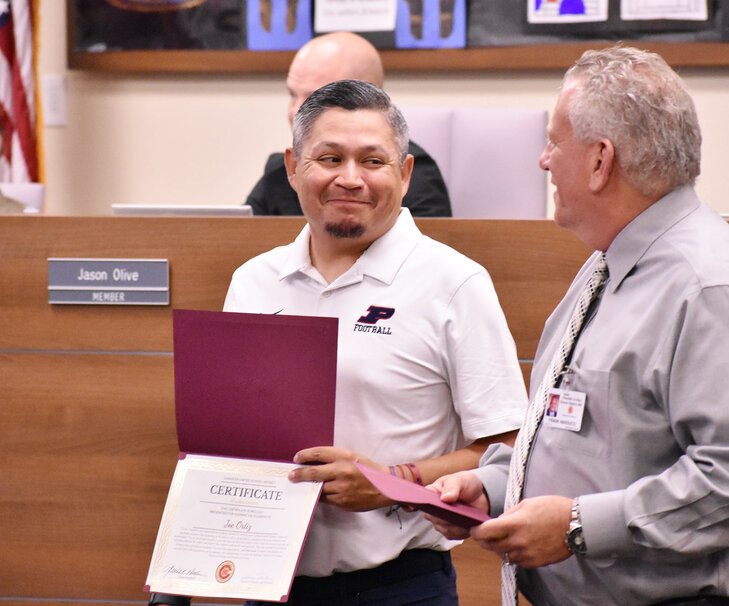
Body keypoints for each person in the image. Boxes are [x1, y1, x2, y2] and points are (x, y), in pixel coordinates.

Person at [427, 46, 729, 606]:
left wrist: (578, 526)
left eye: (555, 142)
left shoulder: (708, 286)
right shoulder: (610, 263)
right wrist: (492, 487)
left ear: (600, 160)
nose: (542, 160)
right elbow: (587, 437)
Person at [151, 80, 526, 606]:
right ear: (292, 166)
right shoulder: (253, 281)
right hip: (268, 586)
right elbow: (227, 447)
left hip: (400, 588)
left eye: (372, 161)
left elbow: (510, 452)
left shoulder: (455, 283)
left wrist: (393, 482)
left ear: (405, 172)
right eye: (329, 158)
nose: (350, 179)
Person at [245, 32, 452, 217]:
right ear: (293, 169)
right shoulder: (280, 171)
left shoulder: (414, 176)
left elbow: (427, 254)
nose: (294, 112)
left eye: (313, 98)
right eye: (293, 95)